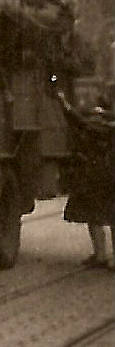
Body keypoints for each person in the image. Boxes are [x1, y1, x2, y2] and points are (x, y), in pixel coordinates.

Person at [57, 89, 114, 269]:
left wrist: (65, 105)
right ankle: (102, 255)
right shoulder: (108, 125)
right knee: (102, 217)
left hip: (100, 177)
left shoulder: (102, 127)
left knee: (97, 217)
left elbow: (80, 123)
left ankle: (101, 255)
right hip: (106, 177)